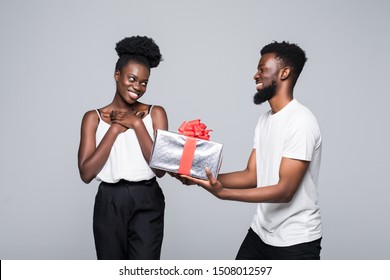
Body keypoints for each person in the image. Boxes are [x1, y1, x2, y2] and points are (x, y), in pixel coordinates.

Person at [181, 41, 322, 260]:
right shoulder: (264, 120)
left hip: (296, 242)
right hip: (260, 234)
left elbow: (285, 191)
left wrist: (223, 194)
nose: (255, 76)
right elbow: (251, 176)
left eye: (262, 69)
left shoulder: (301, 121)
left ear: (284, 73)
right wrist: (199, 177)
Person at [77, 36, 168, 260]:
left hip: (147, 198)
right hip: (109, 201)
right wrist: (116, 128)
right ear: (117, 75)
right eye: (132, 78)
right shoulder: (93, 118)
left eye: (144, 82)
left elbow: (160, 169)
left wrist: (136, 124)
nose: (137, 87)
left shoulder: (155, 113)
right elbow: (86, 173)